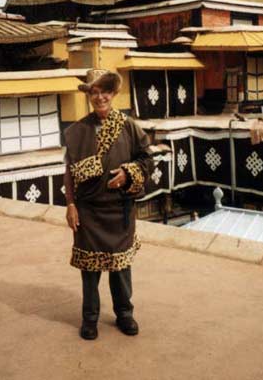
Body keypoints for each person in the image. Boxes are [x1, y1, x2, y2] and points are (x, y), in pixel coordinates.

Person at [64, 69, 153, 340]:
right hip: (88, 210)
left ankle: (124, 313)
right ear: (89, 96)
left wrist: (128, 173)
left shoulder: (129, 126)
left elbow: (147, 160)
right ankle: (89, 318)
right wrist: (70, 204)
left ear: (113, 94)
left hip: (119, 209)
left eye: (105, 91)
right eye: (94, 91)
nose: (99, 96)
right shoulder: (78, 130)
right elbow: (69, 170)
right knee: (89, 271)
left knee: (120, 268)